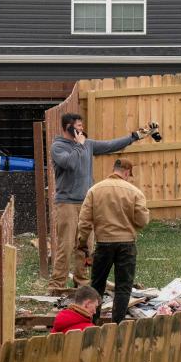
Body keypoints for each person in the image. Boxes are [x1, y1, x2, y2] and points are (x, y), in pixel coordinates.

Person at [48, 112, 147, 293]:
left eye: (81, 125)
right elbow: (69, 163)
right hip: (67, 204)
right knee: (66, 245)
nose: (81, 129)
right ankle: (57, 285)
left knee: (85, 245)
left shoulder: (88, 145)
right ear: (67, 127)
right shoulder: (58, 147)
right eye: (78, 126)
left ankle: (82, 280)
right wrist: (79, 146)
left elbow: (110, 145)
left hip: (86, 202)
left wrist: (133, 137)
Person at [77, 158, 150, 324]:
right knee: (123, 286)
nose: (129, 178)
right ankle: (118, 324)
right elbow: (142, 221)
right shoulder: (134, 192)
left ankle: (92, 321)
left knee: (97, 284)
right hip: (127, 245)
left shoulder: (95, 190)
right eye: (129, 175)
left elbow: (84, 221)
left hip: (103, 243)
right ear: (126, 172)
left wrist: (82, 242)